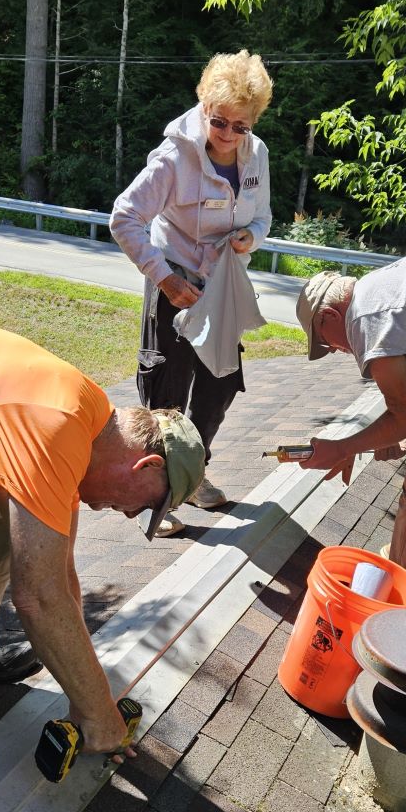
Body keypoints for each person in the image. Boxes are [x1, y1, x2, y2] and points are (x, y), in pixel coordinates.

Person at [0, 300, 205, 809]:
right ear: (145, 466)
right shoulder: (55, 425)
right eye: (144, 505)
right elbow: (39, 598)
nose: (128, 514)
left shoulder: (87, 429)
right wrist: (98, 717)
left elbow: (60, 576)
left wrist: (92, 698)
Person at [110, 49, 273, 537]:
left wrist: (251, 237)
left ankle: (191, 474)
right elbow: (124, 217)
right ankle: (151, 497)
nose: (227, 134)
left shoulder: (257, 155)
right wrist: (163, 277)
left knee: (219, 388)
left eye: (240, 126)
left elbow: (263, 216)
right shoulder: (174, 157)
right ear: (204, 106)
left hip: (223, 288)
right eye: (218, 121)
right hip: (175, 283)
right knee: (166, 395)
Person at [295, 248, 406, 621]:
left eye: (326, 342)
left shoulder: (366, 314)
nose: (336, 350)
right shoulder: (391, 282)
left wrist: (342, 448)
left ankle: (397, 622)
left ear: (329, 315)